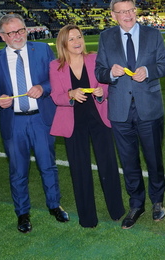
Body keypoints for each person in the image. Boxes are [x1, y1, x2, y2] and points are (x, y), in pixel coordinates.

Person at [0, 13, 69, 233]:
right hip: (14, 123)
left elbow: (56, 78)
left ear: (26, 30)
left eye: (21, 30)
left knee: (48, 165)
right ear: (2, 36)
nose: (18, 36)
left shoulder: (41, 49)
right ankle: (22, 213)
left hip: (41, 119)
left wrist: (43, 87)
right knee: (18, 170)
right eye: (11, 32)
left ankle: (54, 205)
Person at [95, 0, 165, 229]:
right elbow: (99, 71)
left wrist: (148, 71)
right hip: (120, 112)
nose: (128, 15)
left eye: (131, 10)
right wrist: (111, 73)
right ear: (113, 15)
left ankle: (157, 201)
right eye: (122, 11)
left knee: (154, 159)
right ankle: (136, 204)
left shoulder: (153, 34)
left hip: (149, 108)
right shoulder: (106, 37)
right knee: (128, 162)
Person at [49, 24, 124, 228]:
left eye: (79, 37)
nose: (77, 41)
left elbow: (106, 86)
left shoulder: (94, 58)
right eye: (72, 38)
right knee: (79, 169)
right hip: (73, 123)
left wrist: (102, 93)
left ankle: (117, 210)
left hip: (99, 118)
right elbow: (56, 96)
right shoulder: (56, 66)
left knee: (108, 164)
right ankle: (88, 218)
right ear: (63, 43)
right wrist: (70, 95)